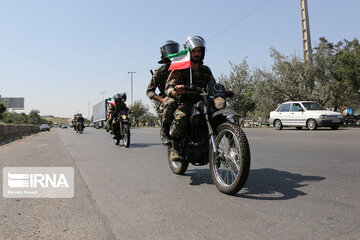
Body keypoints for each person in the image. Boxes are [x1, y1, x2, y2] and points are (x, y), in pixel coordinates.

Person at [165, 36, 216, 162]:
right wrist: (176, 89)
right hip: (187, 102)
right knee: (181, 116)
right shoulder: (180, 68)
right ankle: (175, 149)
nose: (197, 54)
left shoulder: (206, 70)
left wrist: (224, 91)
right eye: (194, 51)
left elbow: (213, 85)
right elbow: (169, 87)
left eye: (199, 51)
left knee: (221, 116)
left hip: (204, 102)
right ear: (189, 52)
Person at [146, 40, 180, 145]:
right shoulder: (160, 72)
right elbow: (149, 91)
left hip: (182, 97)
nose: (172, 52)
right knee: (169, 103)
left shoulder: (182, 68)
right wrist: (162, 100)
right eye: (169, 49)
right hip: (166, 100)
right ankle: (165, 133)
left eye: (174, 49)